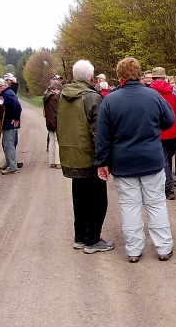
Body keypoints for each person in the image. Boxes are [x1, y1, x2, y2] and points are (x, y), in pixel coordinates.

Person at [95, 57, 175, 263]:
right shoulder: (153, 96)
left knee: (129, 206)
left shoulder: (111, 100)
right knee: (156, 203)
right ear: (139, 73)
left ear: (120, 75)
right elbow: (169, 121)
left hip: (123, 162)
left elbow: (102, 136)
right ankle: (164, 247)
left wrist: (102, 162)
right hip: (151, 159)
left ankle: (134, 250)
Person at [57, 59, 113, 254]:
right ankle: (92, 239)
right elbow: (100, 132)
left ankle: (80, 236)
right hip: (89, 157)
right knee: (98, 200)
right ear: (91, 77)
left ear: (73, 76)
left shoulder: (62, 95)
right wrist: (103, 158)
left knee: (79, 199)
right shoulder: (92, 97)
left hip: (70, 154)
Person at [149, 66, 176, 200]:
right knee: (168, 157)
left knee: (163, 159)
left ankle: (168, 188)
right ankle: (166, 182)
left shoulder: (149, 92)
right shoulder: (174, 92)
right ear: (165, 77)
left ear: (153, 78)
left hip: (157, 130)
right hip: (172, 129)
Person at [0, 78, 22, 175]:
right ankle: (9, 163)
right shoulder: (5, 93)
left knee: (9, 145)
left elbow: (17, 106)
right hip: (8, 123)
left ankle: (12, 167)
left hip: (10, 123)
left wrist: (16, 118)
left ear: (2, 86)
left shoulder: (7, 94)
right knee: (7, 144)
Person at [43, 81, 62, 169]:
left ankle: (52, 162)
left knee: (51, 141)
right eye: (59, 90)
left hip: (49, 122)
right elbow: (59, 110)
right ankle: (58, 162)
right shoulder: (55, 98)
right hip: (55, 122)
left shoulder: (46, 97)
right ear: (56, 89)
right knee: (57, 142)